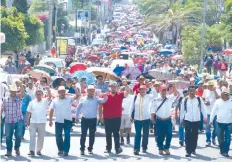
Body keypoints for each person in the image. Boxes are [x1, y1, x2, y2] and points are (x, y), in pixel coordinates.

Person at [75, 85, 108, 155]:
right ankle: (82, 149)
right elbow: (78, 108)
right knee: (83, 135)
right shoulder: (83, 99)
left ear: (94, 92)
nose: (91, 92)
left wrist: (105, 95)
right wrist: (76, 117)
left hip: (93, 120)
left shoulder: (96, 99)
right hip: (84, 119)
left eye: (92, 90)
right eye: (89, 90)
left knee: (92, 135)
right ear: (87, 91)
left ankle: (90, 149)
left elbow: (104, 101)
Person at [99, 82, 129, 154]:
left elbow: (127, 91)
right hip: (107, 117)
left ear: (117, 87)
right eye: (112, 87)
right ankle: (108, 148)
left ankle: (117, 148)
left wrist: (125, 84)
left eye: (114, 87)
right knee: (108, 134)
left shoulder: (120, 94)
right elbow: (100, 106)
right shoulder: (105, 95)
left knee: (116, 133)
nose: (113, 88)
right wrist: (100, 116)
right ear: (110, 87)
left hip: (117, 117)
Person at [49, 86, 80, 156]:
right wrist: (50, 120)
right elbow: (51, 110)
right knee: (58, 136)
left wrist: (75, 88)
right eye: (61, 92)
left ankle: (66, 150)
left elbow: (77, 96)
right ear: (58, 92)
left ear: (65, 92)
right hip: (58, 120)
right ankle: (60, 149)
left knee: (67, 135)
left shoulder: (69, 99)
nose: (62, 93)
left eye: (63, 92)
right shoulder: (55, 100)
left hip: (67, 120)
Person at [180, 86, 207, 157]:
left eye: (193, 91)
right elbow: (182, 110)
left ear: (195, 91)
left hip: (196, 120)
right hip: (187, 119)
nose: (192, 92)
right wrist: (181, 119)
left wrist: (205, 117)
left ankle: (193, 149)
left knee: (195, 135)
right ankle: (188, 151)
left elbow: (203, 108)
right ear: (188, 92)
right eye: (190, 91)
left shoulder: (199, 99)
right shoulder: (185, 100)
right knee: (187, 135)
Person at [151, 84, 178, 155]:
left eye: (165, 90)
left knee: (169, 134)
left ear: (166, 91)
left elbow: (175, 94)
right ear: (159, 91)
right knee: (159, 135)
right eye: (162, 90)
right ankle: (160, 148)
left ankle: (166, 148)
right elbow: (153, 109)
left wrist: (174, 87)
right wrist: (152, 118)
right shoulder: (156, 99)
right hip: (159, 120)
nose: (163, 92)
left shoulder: (169, 98)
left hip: (168, 120)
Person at [26, 87, 52, 156]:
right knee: (32, 136)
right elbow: (28, 112)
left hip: (42, 122)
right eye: (37, 94)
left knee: (41, 137)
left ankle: (38, 150)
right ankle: (31, 150)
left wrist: (48, 89)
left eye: (40, 94)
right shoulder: (32, 102)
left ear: (42, 95)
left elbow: (50, 97)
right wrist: (27, 121)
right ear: (35, 95)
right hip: (33, 122)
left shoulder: (45, 101)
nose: (38, 95)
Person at [1, 83, 24, 156]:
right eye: (12, 91)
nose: (13, 92)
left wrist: (21, 85)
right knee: (8, 136)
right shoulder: (5, 99)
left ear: (16, 91)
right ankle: (9, 151)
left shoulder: (19, 97)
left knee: (18, 135)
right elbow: (2, 109)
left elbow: (23, 92)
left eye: (14, 91)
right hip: (8, 120)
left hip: (18, 119)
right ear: (10, 91)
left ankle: (17, 148)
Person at [131, 85, 155, 155]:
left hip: (146, 118)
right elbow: (132, 107)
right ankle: (136, 149)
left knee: (145, 134)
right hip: (137, 119)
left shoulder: (148, 96)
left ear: (146, 90)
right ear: (139, 90)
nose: (142, 91)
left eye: (144, 90)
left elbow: (155, 95)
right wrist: (130, 116)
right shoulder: (135, 97)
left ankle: (144, 147)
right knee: (137, 134)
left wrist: (151, 87)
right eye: (141, 90)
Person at [210, 87, 232, 157]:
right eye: (222, 94)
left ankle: (225, 151)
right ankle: (222, 150)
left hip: (229, 123)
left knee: (228, 138)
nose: (223, 95)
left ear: (228, 95)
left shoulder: (231, 102)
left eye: (225, 94)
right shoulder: (218, 101)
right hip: (219, 122)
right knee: (220, 137)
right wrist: (210, 120)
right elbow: (213, 111)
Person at [202, 81, 220, 146]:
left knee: (216, 128)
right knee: (207, 128)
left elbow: (219, 98)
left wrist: (215, 91)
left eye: (211, 86)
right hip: (207, 112)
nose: (209, 87)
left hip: (215, 113)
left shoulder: (217, 90)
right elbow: (203, 98)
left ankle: (213, 138)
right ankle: (208, 141)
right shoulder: (205, 91)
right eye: (209, 86)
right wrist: (205, 102)